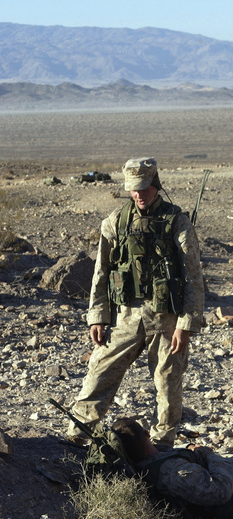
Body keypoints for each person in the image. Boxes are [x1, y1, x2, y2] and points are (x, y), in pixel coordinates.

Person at [68, 157, 204, 446]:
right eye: (133, 189)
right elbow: (101, 271)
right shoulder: (115, 221)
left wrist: (186, 324)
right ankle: (78, 434)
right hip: (126, 315)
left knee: (167, 380)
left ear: (155, 184)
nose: (138, 195)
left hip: (166, 317)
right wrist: (98, 316)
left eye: (143, 188)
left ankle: (162, 445)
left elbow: (193, 277)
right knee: (100, 369)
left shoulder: (177, 222)